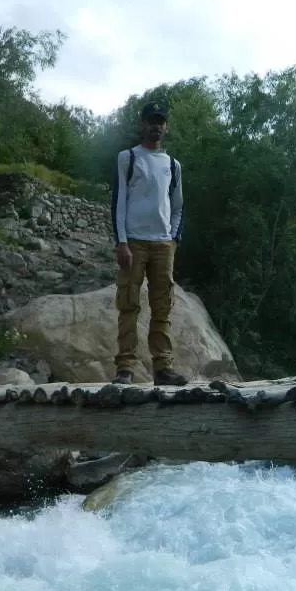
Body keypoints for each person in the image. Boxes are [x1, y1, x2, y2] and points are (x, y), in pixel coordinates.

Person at [110, 101, 188, 386]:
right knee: (129, 304)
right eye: (151, 120)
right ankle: (125, 368)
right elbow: (118, 202)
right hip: (133, 242)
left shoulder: (173, 165)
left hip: (163, 244)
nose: (156, 126)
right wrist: (121, 242)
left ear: (166, 127)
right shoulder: (128, 157)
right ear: (142, 124)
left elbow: (178, 206)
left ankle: (163, 368)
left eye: (161, 121)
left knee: (162, 306)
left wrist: (174, 240)